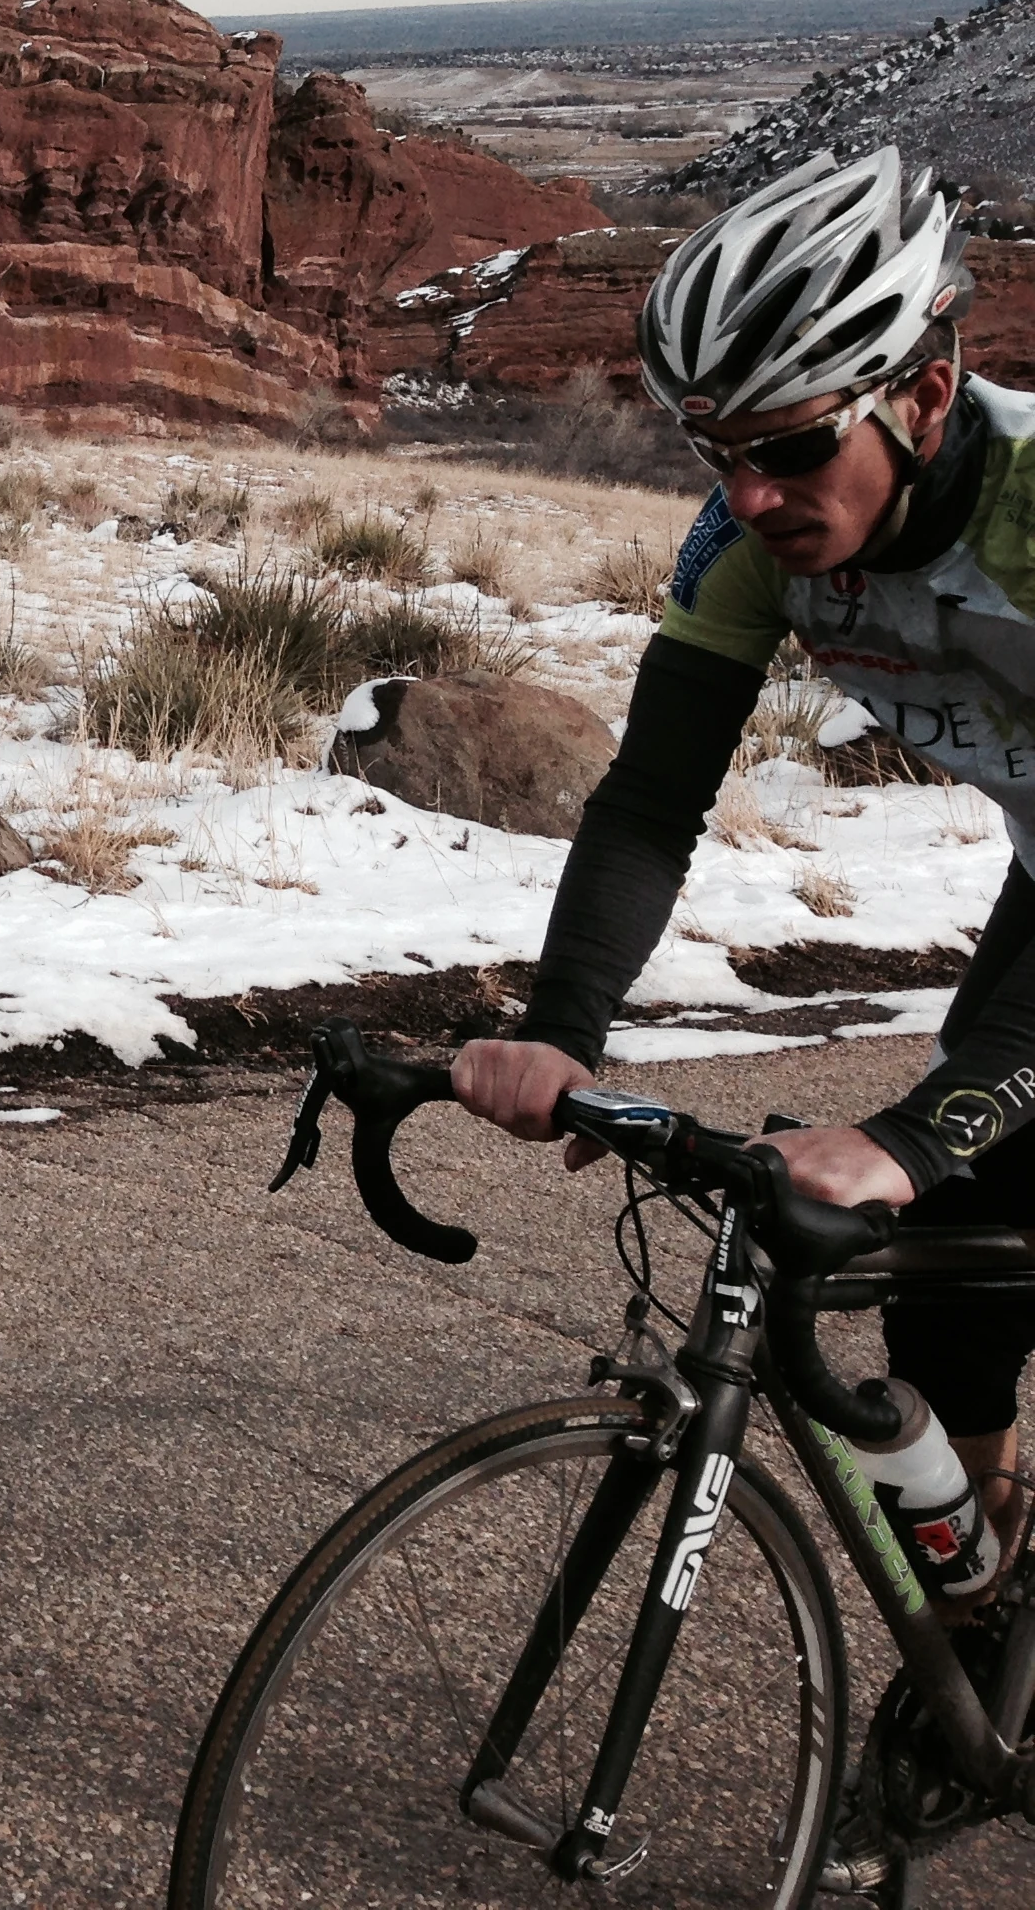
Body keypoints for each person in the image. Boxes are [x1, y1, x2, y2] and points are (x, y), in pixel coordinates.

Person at [450, 146, 1035, 1539]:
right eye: (717, 452)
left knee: (948, 1156)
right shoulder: (744, 544)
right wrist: (564, 1025)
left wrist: (915, 1128)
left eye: (788, 447)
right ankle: (989, 1632)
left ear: (927, 394)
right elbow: (653, 799)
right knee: (951, 1288)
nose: (753, 494)